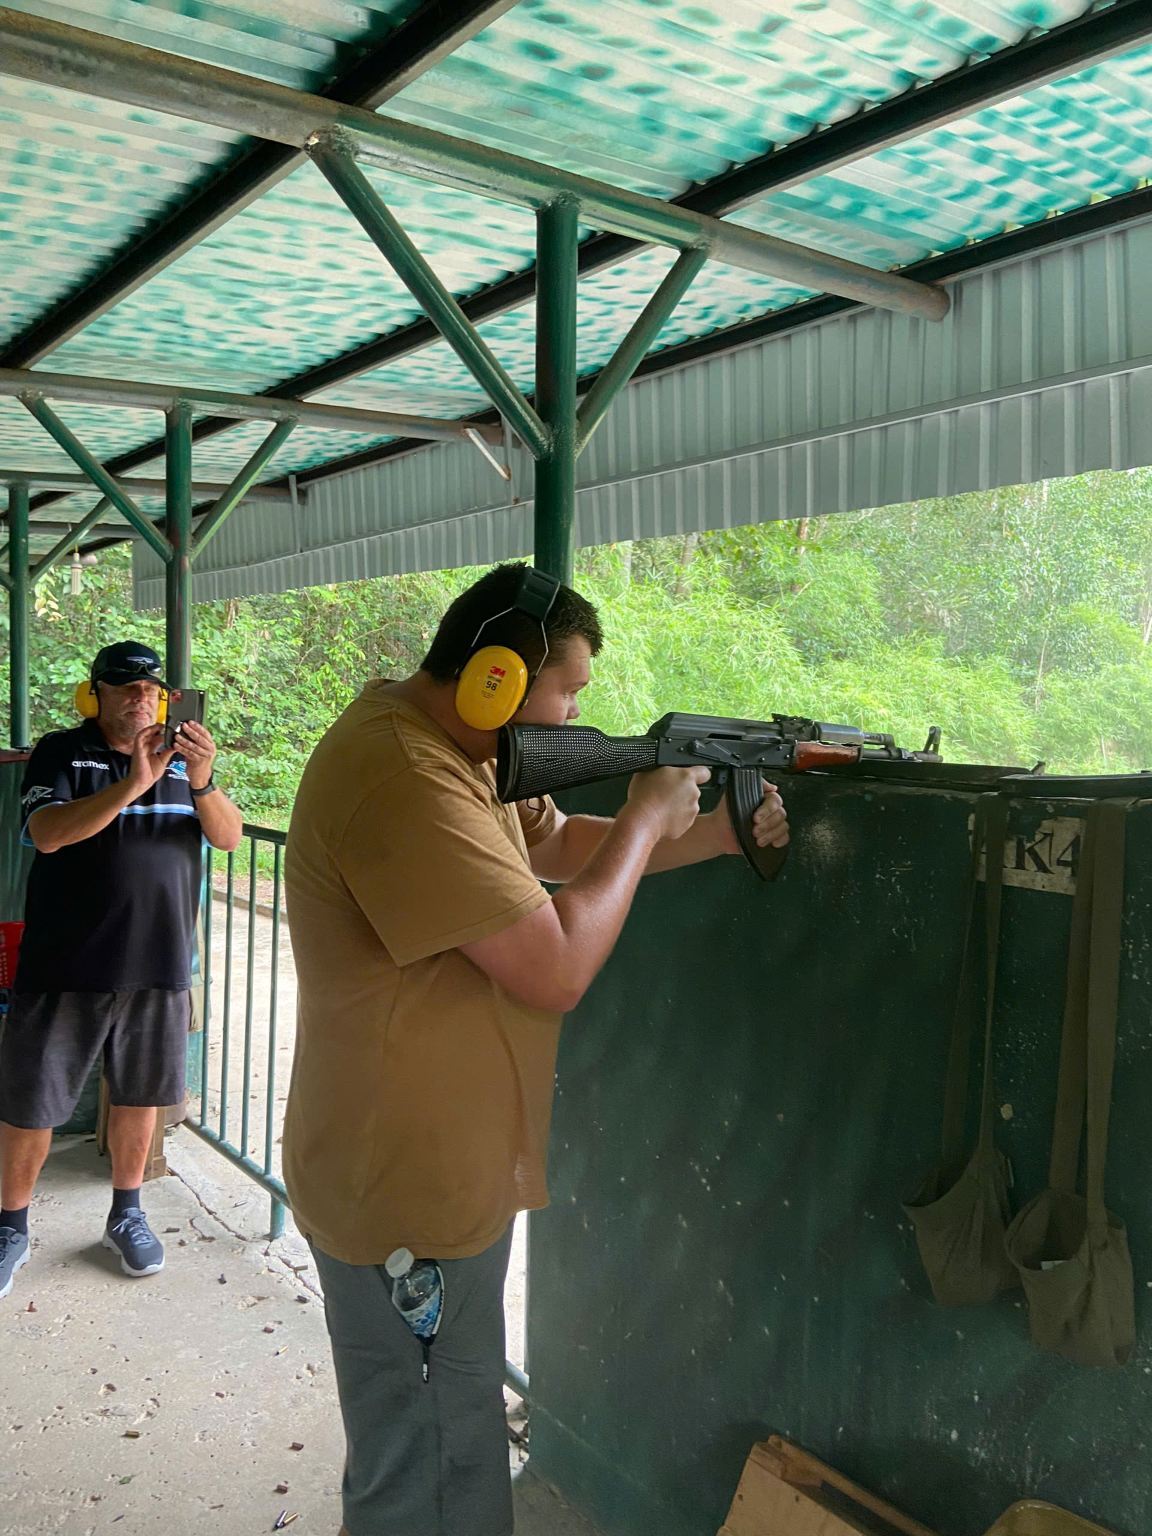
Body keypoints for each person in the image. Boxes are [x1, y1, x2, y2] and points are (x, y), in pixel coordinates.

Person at [282, 563, 789, 1536]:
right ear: (497, 678)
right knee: (411, 1465)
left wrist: (714, 836)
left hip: (449, 1183)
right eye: (569, 691)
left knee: (458, 1434)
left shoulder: (463, 752)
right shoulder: (404, 771)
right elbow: (554, 967)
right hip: (401, 1190)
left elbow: (554, 849)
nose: (571, 715)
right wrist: (646, 820)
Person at [0, 641, 243, 1299]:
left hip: (159, 962)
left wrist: (201, 778)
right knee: (32, 1103)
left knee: (139, 1098)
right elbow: (47, 833)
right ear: (97, 694)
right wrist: (131, 784)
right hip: (65, 964)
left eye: (151, 689)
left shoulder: (184, 763)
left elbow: (228, 837)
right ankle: (11, 1226)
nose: (141, 698)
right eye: (125, 687)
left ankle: (127, 1213)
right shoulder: (62, 751)